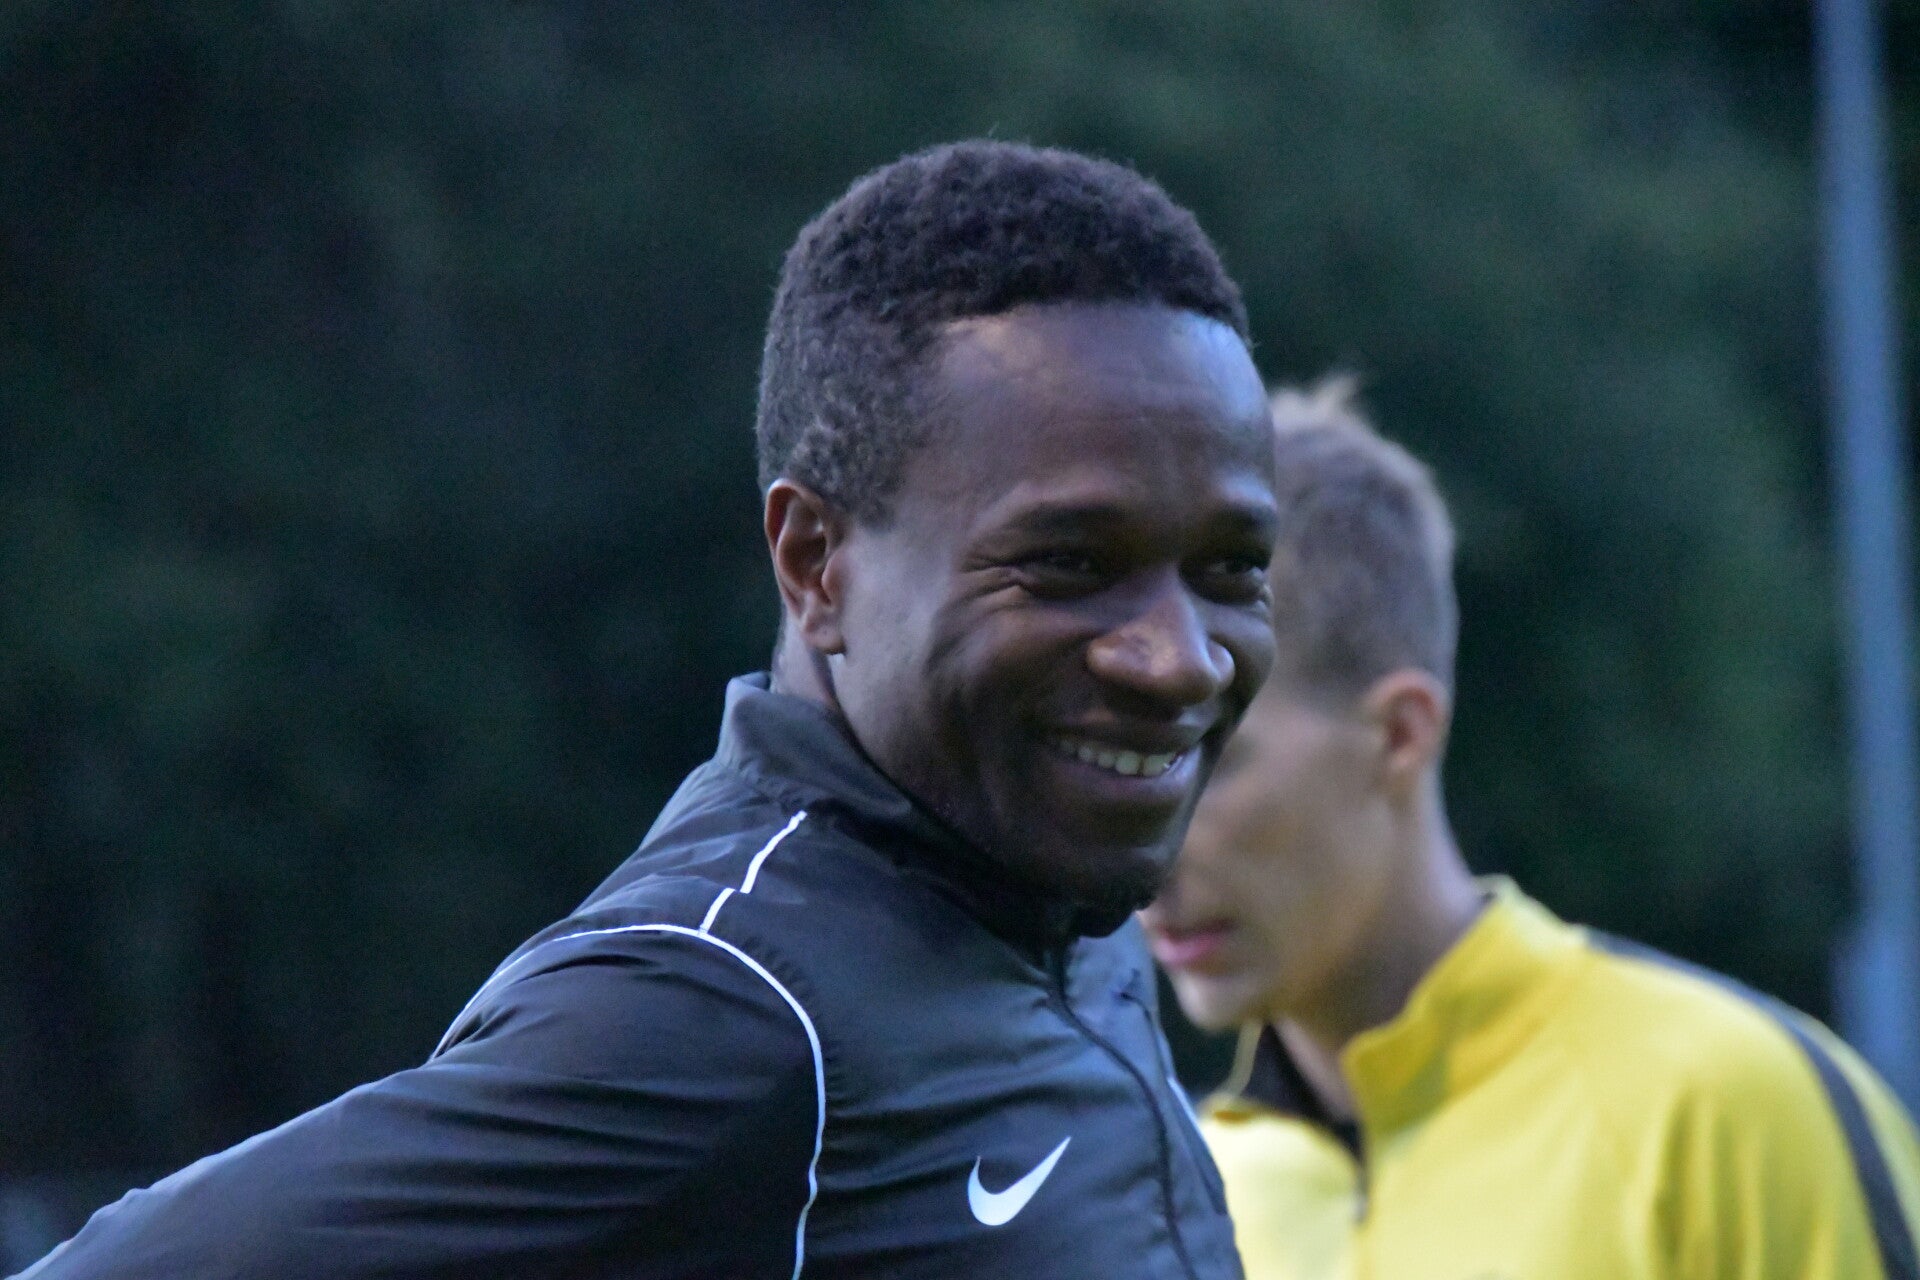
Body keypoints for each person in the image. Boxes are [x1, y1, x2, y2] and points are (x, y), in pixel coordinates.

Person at [25, 141, 1279, 1278]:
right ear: (815, 562)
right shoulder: (724, 1012)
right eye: (1066, 563)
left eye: (1231, 569)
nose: (1178, 660)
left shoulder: (1056, 885)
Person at [1141, 378, 1920, 1280]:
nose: (1146, 859)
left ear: (1399, 735)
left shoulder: (1730, 1110)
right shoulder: (1186, 1201)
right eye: (1127, 766)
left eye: (1207, 760)